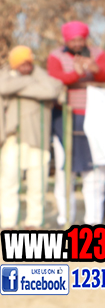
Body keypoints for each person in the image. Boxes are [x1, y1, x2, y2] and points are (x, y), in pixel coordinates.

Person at [47, 20, 105, 225]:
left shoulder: (98, 54)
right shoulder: (55, 56)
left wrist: (95, 69)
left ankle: (93, 221)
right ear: (66, 40)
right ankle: (65, 219)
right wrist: (76, 73)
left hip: (94, 117)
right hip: (65, 117)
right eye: (73, 40)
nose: (77, 43)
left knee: (94, 171)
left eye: (80, 39)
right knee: (65, 170)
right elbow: (54, 79)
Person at [0, 46, 63, 228]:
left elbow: (51, 90)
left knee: (37, 184)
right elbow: (3, 87)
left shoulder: (40, 75)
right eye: (22, 64)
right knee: (9, 183)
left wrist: (19, 89)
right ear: (15, 64)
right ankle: (8, 223)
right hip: (12, 137)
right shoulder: (6, 76)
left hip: (38, 138)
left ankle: (33, 223)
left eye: (29, 63)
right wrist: (30, 84)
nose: (27, 67)